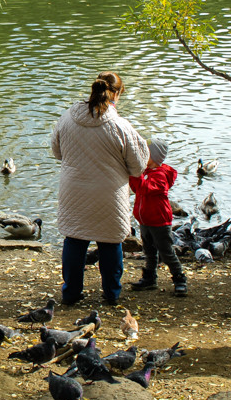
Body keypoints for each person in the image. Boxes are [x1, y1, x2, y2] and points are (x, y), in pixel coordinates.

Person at [50, 72, 149, 305]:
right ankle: (112, 294)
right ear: (117, 93)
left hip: (74, 190)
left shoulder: (67, 117)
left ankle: (71, 293)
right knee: (110, 241)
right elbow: (137, 167)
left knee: (75, 239)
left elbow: (56, 151)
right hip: (109, 193)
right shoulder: (120, 125)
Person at [129, 139, 186, 296]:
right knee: (149, 251)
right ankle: (150, 278)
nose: (141, 156)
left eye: (144, 153)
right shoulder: (147, 172)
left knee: (166, 252)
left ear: (153, 157)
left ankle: (179, 279)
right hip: (145, 220)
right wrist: (133, 174)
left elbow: (146, 188)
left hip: (159, 221)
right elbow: (136, 188)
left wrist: (137, 174)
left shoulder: (160, 176)